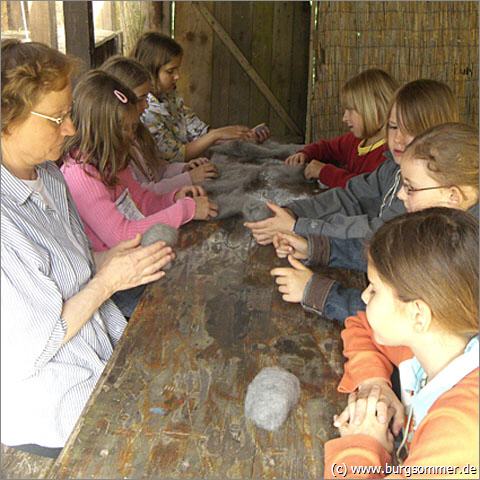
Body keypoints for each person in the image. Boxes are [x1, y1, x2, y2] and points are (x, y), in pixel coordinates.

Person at [1, 40, 174, 456]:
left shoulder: (49, 176)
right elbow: (31, 347)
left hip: (98, 351)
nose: (72, 129)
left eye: (69, 115)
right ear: (8, 120)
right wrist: (108, 282)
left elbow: (67, 270)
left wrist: (110, 258)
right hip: (56, 402)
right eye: (57, 118)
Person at [324, 208, 479, 478]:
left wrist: (362, 446)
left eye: (374, 288)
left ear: (418, 314)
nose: (363, 296)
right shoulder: (433, 344)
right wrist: (374, 382)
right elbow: (360, 325)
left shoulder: (461, 433)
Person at [271, 122, 478, 322]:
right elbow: (395, 254)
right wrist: (315, 248)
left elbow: (398, 319)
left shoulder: (461, 258)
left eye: (410, 188)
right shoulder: (447, 224)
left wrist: (317, 292)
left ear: (452, 196)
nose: (400, 195)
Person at [61, 69, 218, 254]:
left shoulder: (111, 159)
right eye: (124, 128)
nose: (131, 134)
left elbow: (141, 201)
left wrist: (173, 198)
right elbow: (121, 235)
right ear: (101, 128)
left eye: (132, 127)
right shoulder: (81, 174)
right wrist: (184, 210)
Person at [132, 31, 270, 162]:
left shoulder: (170, 97)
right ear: (149, 71)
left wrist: (242, 137)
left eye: (177, 69)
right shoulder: (145, 111)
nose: (177, 76)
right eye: (170, 71)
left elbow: (198, 132)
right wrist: (217, 135)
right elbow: (176, 155)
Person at [100, 55, 219, 194]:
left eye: (147, 97)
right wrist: (189, 178)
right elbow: (142, 195)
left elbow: (159, 170)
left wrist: (184, 169)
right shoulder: (113, 151)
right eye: (141, 99)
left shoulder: (138, 134)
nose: (146, 105)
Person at [285, 69, 398, 188]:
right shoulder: (355, 140)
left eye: (350, 110)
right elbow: (327, 148)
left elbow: (368, 190)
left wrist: (325, 172)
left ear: (375, 109)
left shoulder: (390, 154)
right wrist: (305, 153)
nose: (344, 118)